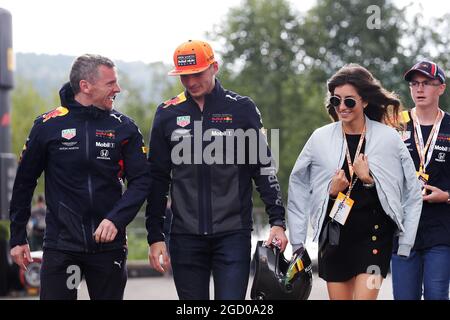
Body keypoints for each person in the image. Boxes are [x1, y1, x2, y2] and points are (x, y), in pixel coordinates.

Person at [145, 40, 288, 300]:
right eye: (184, 77)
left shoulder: (242, 108)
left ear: (214, 67)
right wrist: (155, 236)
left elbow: (264, 167)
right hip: (184, 236)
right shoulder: (167, 113)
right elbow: (156, 178)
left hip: (233, 234)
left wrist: (277, 221)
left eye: (197, 74)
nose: (190, 82)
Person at [9, 54, 151, 300]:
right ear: (85, 86)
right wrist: (18, 236)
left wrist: (116, 220)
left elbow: (142, 181)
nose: (117, 89)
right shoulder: (47, 126)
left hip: (109, 249)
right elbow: (24, 182)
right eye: (110, 83)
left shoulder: (125, 128)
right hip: (62, 248)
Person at [287, 64, 423, 300]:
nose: (341, 107)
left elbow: (411, 191)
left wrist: (368, 180)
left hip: (374, 237)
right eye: (335, 100)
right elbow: (297, 186)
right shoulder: (319, 138)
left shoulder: (389, 139)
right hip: (335, 239)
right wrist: (298, 240)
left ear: (365, 101)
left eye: (349, 101)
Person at [391, 61, 450, 300]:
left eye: (426, 83)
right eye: (414, 83)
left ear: (441, 89)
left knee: (437, 296)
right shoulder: (394, 124)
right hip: (403, 230)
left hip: (441, 231)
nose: (419, 89)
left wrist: (446, 196)